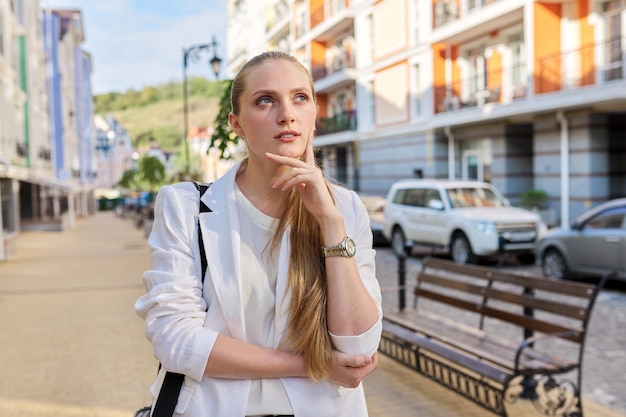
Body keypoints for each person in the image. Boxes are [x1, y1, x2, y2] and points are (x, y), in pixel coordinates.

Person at [135, 51, 383, 417]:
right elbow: (177, 341)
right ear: (237, 124)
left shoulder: (343, 209)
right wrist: (310, 365)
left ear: (314, 113)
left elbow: (358, 346)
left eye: (300, 97)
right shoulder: (185, 206)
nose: (287, 114)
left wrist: (331, 225)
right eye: (265, 100)